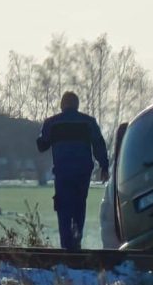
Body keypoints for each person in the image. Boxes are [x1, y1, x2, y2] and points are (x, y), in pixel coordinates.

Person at [36, 91, 109, 251]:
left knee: (63, 207)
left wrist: (40, 134)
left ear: (62, 105)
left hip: (63, 172)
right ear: (77, 105)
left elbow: (42, 145)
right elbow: (98, 145)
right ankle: (77, 240)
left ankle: (66, 246)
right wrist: (104, 166)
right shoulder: (89, 122)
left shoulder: (52, 123)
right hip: (83, 172)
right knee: (79, 205)